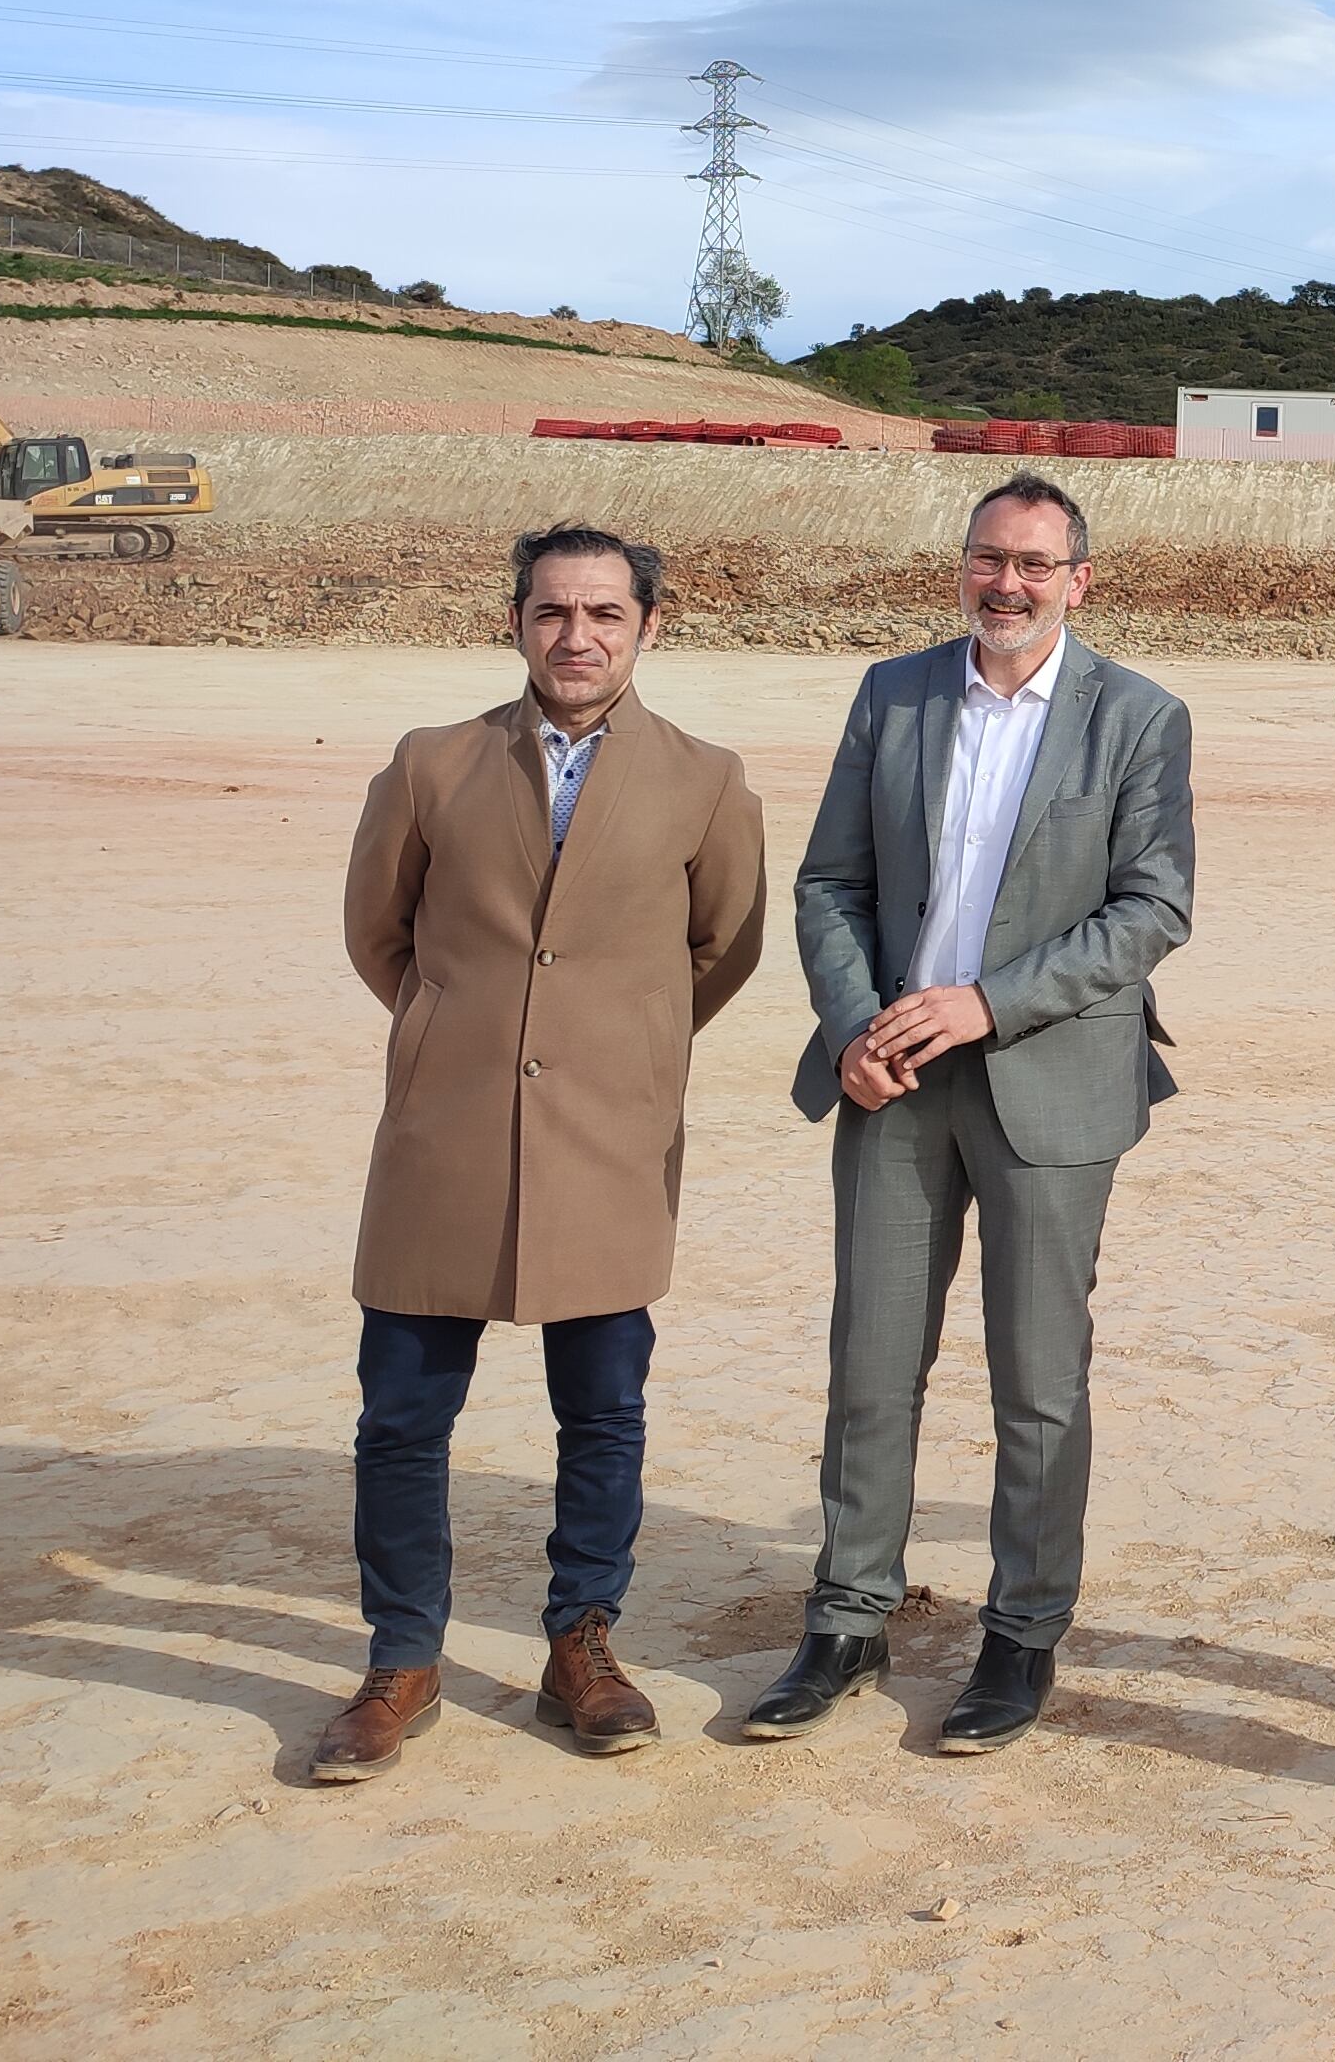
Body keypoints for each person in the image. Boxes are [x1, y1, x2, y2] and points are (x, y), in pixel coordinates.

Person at [316, 525, 768, 1784]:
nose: (578, 636)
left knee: (603, 1410)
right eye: (553, 612)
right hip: (445, 1133)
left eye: (605, 614)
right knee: (403, 1415)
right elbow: (378, 932)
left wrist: (615, 1045)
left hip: (611, 1138)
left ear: (649, 627)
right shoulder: (432, 762)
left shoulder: (707, 780)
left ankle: (583, 1646)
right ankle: (402, 1662)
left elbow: (721, 948)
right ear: (514, 622)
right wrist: (455, 1031)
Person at [750, 474, 1195, 1754]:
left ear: (1078, 581)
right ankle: (847, 1618)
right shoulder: (892, 694)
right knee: (871, 1363)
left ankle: (1022, 1632)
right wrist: (856, 1027)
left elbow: (1151, 909)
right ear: (963, 565)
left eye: (1035, 565)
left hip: (1047, 1078)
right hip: (891, 1076)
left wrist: (986, 1005)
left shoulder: (1139, 717)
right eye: (988, 559)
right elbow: (830, 884)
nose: (1007, 584)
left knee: (1037, 1380)